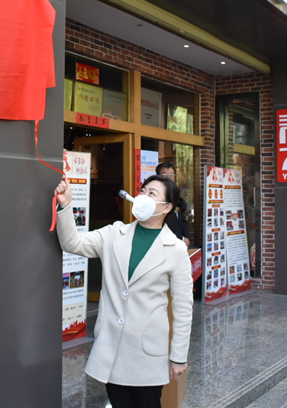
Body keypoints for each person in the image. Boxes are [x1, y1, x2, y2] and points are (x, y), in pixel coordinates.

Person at [53, 175, 193, 408]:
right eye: (142, 190)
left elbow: (183, 307)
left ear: (167, 207)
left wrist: (178, 356)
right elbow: (72, 243)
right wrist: (66, 204)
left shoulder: (176, 249)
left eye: (152, 193)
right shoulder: (113, 234)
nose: (143, 196)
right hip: (113, 350)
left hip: (148, 352)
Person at [156, 162, 191, 247]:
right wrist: (181, 238)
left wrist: (186, 237)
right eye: (164, 174)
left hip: (179, 244)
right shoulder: (156, 196)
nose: (168, 177)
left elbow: (181, 218)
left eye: (171, 174)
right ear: (158, 177)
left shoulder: (176, 194)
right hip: (164, 243)